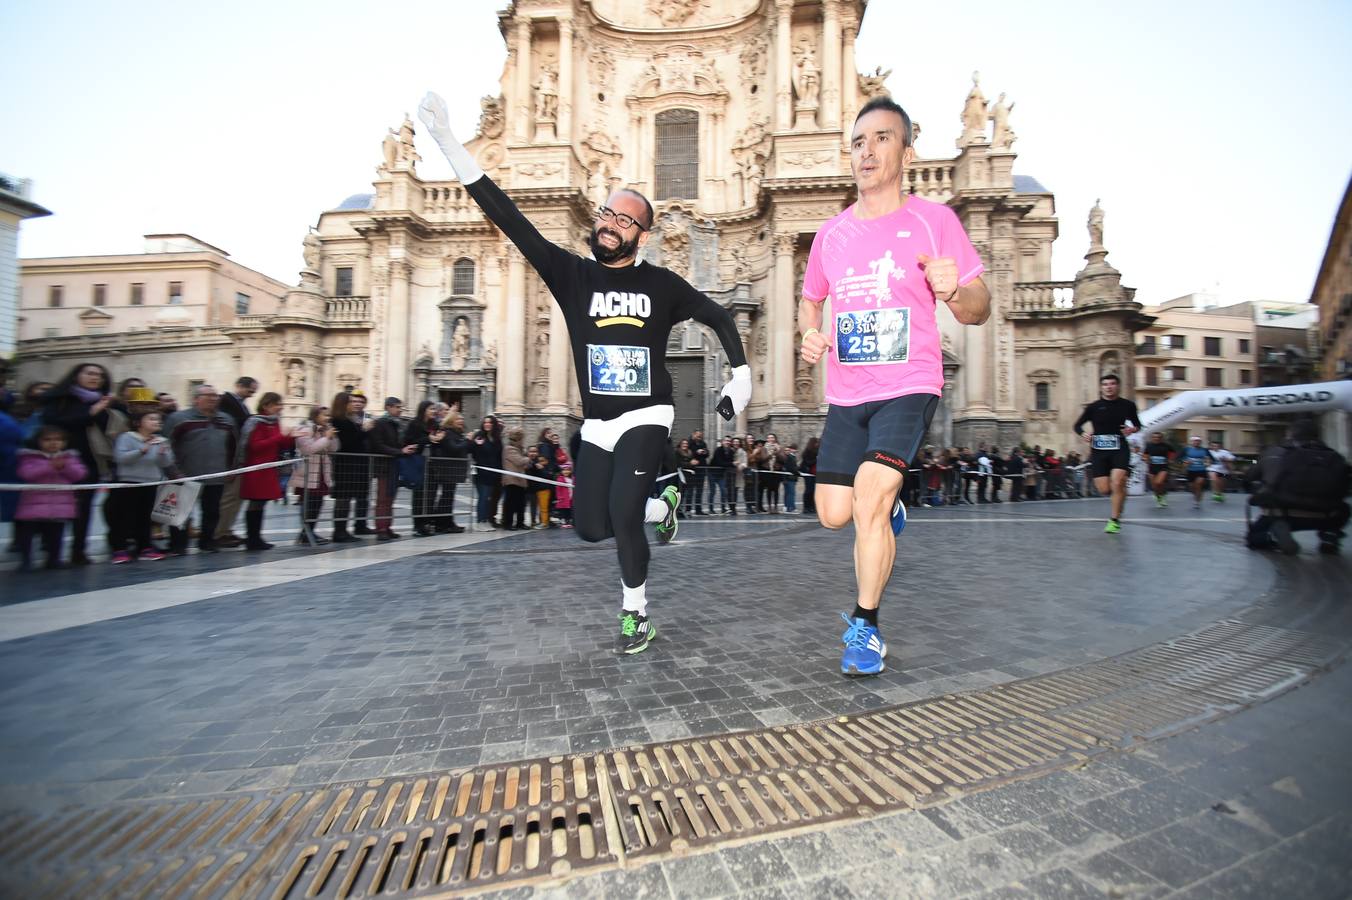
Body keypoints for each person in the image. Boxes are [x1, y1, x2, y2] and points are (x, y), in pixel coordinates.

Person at [420, 90, 752, 655]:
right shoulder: (572, 276)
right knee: (589, 527)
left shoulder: (661, 285)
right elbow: (511, 220)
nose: (610, 223)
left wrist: (739, 373)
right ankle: (662, 502)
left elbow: (719, 314)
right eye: (606, 213)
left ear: (642, 235)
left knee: (622, 516)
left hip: (649, 414)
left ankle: (635, 614)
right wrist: (451, 144)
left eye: (624, 219)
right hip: (598, 422)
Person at [798, 95, 989, 676]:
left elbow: (979, 310)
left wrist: (955, 289)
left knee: (870, 501)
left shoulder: (936, 220)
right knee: (834, 512)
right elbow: (811, 299)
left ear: (906, 152)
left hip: (909, 383)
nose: (867, 151)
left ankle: (866, 627)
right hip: (847, 391)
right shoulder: (830, 234)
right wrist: (810, 334)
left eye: (881, 138)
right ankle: (889, 499)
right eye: (858, 142)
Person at [41, 362, 117, 564]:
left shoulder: (105, 403)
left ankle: (79, 551)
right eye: (90, 373)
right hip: (61, 461)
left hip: (91, 461)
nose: (95, 377)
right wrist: (91, 412)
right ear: (76, 376)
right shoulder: (59, 399)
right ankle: (52, 553)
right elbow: (55, 424)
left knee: (84, 508)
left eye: (99, 375)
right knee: (55, 508)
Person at [1244, 419, 1351, 555]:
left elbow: (1250, 479)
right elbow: (1345, 489)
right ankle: (1330, 534)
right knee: (1345, 509)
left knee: (1255, 537)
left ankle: (1271, 534)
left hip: (1285, 513)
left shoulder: (1275, 453)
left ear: (1290, 434)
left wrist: (1256, 493)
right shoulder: (1335, 457)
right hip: (1328, 514)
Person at [165, 385, 237, 555]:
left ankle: (207, 541)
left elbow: (234, 446)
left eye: (215, 396)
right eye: (208, 396)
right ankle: (177, 544)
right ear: (196, 398)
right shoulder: (179, 419)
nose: (213, 399)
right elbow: (167, 444)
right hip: (184, 474)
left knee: (212, 511)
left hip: (216, 474)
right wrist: (172, 471)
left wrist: (232, 469)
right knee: (178, 512)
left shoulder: (226, 420)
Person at [1073, 373, 1141, 533]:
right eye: (1105, 384)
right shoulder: (1093, 407)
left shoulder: (1128, 405)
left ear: (1117, 386)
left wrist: (1132, 429)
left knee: (1117, 482)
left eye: (1112, 384)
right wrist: (1083, 434)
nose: (1109, 387)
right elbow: (1077, 426)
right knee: (1104, 490)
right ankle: (1120, 496)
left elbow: (1138, 424)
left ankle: (1114, 520)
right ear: (1101, 387)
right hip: (1099, 451)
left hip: (1119, 448)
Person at [15, 426, 88, 571]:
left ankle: (54, 559)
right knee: (27, 534)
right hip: (33, 505)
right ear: (38, 441)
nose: (53, 443)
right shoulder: (30, 457)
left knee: (55, 534)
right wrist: (50, 466)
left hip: (59, 506)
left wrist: (65, 467)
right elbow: (26, 474)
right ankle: (26, 561)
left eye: (58, 440)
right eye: (47, 439)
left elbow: (80, 475)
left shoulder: (70, 458)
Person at [106, 410, 175, 562]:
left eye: (158, 419)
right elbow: (120, 458)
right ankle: (119, 548)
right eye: (151, 418)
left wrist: (163, 454)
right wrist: (141, 450)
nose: (156, 422)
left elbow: (166, 463)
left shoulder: (161, 440)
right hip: (128, 482)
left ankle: (145, 547)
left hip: (150, 482)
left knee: (145, 517)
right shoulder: (127, 438)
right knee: (123, 516)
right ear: (138, 423)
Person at [237, 391, 295, 551]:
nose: (280, 408)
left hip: (268, 466)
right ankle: (252, 538)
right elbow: (255, 446)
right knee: (255, 502)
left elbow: (279, 443)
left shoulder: (274, 422)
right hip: (256, 467)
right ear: (266, 405)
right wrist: (278, 438)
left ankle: (256, 537)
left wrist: (291, 438)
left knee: (260, 503)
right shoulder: (257, 422)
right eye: (277, 404)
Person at [215, 376, 258, 547]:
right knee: (229, 498)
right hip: (231, 458)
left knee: (235, 497)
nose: (252, 394)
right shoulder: (226, 402)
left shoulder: (241, 405)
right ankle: (220, 532)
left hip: (239, 458)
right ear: (239, 386)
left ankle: (226, 530)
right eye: (250, 390)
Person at [368, 397, 414, 541]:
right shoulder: (380, 423)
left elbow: (397, 443)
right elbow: (379, 445)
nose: (400, 410)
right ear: (388, 407)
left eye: (400, 407)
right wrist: (401, 451)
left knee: (390, 497)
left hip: (394, 464)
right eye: (397, 407)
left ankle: (387, 526)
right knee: (383, 498)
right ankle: (381, 527)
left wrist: (405, 448)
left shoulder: (397, 424)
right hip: (383, 465)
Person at [294, 405, 337, 544]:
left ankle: (309, 531)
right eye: (325, 415)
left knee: (318, 502)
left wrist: (330, 437)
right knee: (308, 503)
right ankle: (306, 532)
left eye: (328, 415)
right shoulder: (305, 429)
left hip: (321, 472)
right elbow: (308, 449)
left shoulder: (323, 430)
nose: (328, 418)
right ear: (315, 416)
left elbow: (334, 448)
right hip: (308, 472)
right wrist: (326, 438)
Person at [329, 392, 368, 542]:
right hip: (345, 464)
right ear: (343, 404)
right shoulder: (339, 421)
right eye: (351, 401)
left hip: (353, 464)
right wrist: (364, 430)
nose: (354, 404)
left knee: (347, 497)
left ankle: (342, 529)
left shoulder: (349, 420)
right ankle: (339, 531)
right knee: (343, 498)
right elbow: (348, 442)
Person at [430, 408, 469, 534]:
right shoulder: (448, 433)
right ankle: (442, 523)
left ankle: (446, 522)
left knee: (448, 497)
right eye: (458, 419)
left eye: (462, 419)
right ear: (451, 421)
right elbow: (454, 448)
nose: (461, 421)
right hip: (447, 469)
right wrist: (467, 441)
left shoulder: (455, 433)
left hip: (452, 469)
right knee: (446, 497)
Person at [470, 415, 504, 529]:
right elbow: (474, 451)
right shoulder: (479, 436)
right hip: (482, 472)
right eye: (485, 422)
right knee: (483, 497)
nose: (487, 424)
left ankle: (486, 520)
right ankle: (480, 521)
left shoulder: (497, 439)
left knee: (488, 497)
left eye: (490, 422)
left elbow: (499, 456)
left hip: (493, 474)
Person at [501, 426, 529, 530]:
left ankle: (520, 522)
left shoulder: (519, 449)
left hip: (519, 480)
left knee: (521, 503)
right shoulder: (509, 449)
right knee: (510, 503)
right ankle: (508, 523)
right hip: (512, 480)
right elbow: (519, 461)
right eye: (521, 438)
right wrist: (527, 458)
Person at [1144, 432, 1176, 508]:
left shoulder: (1166, 445)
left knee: (1158, 482)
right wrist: (1146, 459)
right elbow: (1145, 454)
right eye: (1155, 437)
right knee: (1154, 486)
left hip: (1163, 467)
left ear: (1161, 438)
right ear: (1152, 438)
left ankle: (1162, 497)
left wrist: (1170, 459)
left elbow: (1173, 452)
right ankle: (1159, 498)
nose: (1156, 438)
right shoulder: (1149, 445)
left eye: (1158, 437)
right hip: (1152, 467)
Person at [1182, 436, 1212, 509]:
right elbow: (1181, 459)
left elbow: (1210, 459)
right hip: (1191, 470)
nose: (1197, 442)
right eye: (1195, 441)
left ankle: (1197, 502)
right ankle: (1197, 495)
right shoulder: (1187, 449)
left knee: (1198, 484)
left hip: (1201, 470)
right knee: (1192, 487)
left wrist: (1208, 463)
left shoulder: (1205, 450)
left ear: (1200, 442)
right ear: (1192, 442)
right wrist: (1186, 462)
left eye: (1198, 441)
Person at [688, 430, 710, 514]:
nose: (699, 437)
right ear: (693, 435)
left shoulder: (703, 443)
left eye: (700, 435)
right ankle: (688, 509)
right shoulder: (689, 443)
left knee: (699, 490)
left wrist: (705, 452)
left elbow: (707, 454)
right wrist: (697, 452)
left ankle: (698, 509)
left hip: (701, 470)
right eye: (698, 435)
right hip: (692, 470)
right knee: (690, 490)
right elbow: (689, 454)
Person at [801, 436, 820, 514]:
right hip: (808, 473)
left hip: (814, 473)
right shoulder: (807, 452)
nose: (817, 444)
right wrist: (816, 459)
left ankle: (812, 507)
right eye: (816, 443)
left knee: (814, 491)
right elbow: (808, 463)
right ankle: (806, 507)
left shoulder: (817, 451)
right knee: (808, 491)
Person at [556, 462, 575, 527]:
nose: (566, 472)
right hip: (563, 498)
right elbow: (558, 490)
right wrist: (559, 497)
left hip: (571, 498)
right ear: (561, 471)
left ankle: (569, 521)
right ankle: (564, 522)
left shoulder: (572, 478)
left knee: (570, 510)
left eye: (567, 470)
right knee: (564, 510)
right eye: (564, 470)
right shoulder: (560, 479)